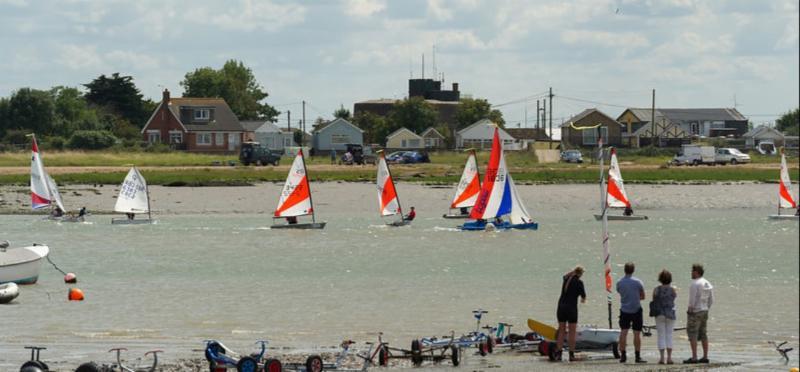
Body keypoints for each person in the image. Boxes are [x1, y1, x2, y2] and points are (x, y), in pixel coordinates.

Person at [554, 265, 586, 362]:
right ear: (580, 274)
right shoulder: (579, 282)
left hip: (561, 307)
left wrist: (572, 272)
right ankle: (571, 355)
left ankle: (559, 354)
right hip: (571, 309)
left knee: (561, 331)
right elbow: (583, 297)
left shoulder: (566, 279)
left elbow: (564, 275)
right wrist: (583, 300)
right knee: (572, 332)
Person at [616, 262, 647, 364]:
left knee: (623, 332)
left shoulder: (619, 282)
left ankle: (623, 355)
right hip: (636, 309)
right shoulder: (638, 282)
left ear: (624, 270)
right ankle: (637, 356)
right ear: (633, 270)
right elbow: (643, 296)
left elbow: (620, 292)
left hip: (624, 309)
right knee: (637, 333)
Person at [684, 264, 714, 364]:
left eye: (692, 271)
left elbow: (692, 299)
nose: (691, 273)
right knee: (703, 334)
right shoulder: (707, 283)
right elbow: (711, 300)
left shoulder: (695, 284)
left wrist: (690, 309)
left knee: (693, 334)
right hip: (704, 311)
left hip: (695, 311)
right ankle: (705, 356)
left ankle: (694, 357)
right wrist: (706, 308)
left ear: (697, 272)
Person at [652, 269, 677, 364]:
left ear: (660, 279)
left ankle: (662, 358)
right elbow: (674, 297)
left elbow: (654, 300)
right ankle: (669, 358)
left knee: (661, 335)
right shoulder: (673, 289)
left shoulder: (656, 289)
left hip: (659, 313)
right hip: (670, 313)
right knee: (669, 334)